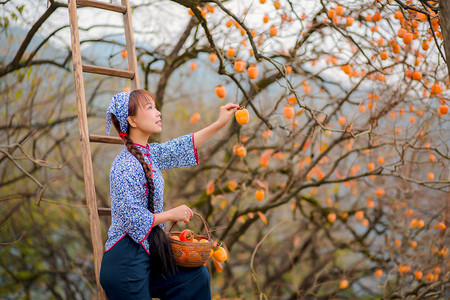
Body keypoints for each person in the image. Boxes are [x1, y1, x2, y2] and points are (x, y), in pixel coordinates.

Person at [99, 89, 239, 300]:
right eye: (150, 108)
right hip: (125, 263)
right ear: (132, 120)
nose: (158, 112)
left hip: (149, 256)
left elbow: (182, 146)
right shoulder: (123, 166)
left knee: (195, 277)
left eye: (155, 106)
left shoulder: (149, 153)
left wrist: (220, 123)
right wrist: (171, 214)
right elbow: (133, 220)